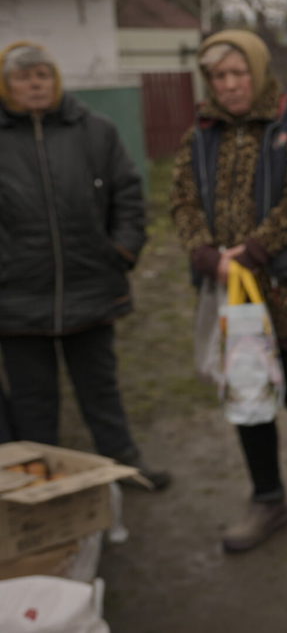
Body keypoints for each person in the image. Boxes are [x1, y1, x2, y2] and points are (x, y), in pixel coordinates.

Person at [169, 30, 287, 557]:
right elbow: (182, 199)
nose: (228, 85)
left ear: (258, 71)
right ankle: (268, 500)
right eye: (219, 77)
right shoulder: (200, 134)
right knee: (248, 397)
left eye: (237, 73)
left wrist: (250, 250)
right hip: (234, 294)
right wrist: (204, 253)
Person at [0, 41, 170, 489]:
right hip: (18, 298)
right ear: (6, 84)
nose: (33, 84)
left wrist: (122, 252)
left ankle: (124, 466)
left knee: (101, 391)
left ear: (55, 79)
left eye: (41, 75)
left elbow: (129, 195)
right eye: (23, 77)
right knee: (33, 402)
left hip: (91, 285)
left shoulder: (95, 130)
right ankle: (37, 483)